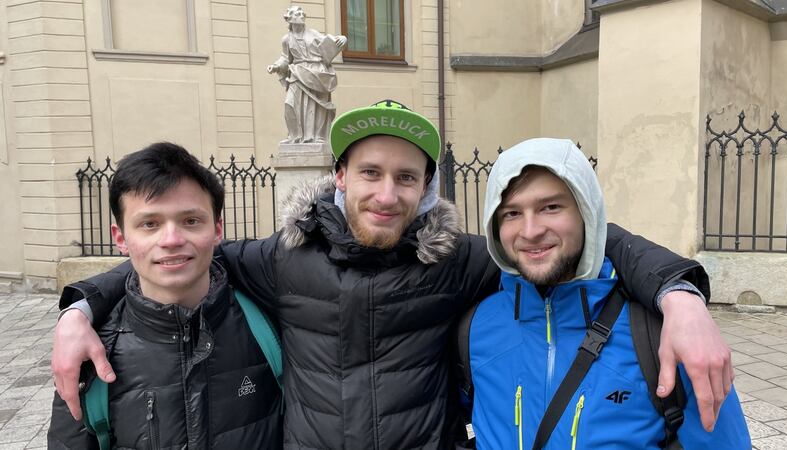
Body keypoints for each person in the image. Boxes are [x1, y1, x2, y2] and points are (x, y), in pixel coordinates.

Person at [53, 101, 731, 449]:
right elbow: (179, 257)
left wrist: (679, 296)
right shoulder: (282, 258)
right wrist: (79, 308)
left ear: (427, 189)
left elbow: (582, 239)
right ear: (340, 177)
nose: (386, 193)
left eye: (407, 177)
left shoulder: (461, 260)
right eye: (370, 173)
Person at [466, 138, 749, 449]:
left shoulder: (666, 336)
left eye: (551, 207)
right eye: (511, 213)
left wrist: (684, 298)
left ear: (587, 213)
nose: (530, 230)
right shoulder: (473, 327)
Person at [47, 143, 282, 449]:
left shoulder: (268, 326)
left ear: (217, 229)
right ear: (121, 238)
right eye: (150, 224)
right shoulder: (91, 355)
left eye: (191, 221)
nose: (171, 239)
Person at [268, 5, 346, 144]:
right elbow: (285, 58)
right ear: (289, 18)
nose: (302, 14)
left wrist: (342, 39)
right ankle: (294, 136)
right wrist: (276, 66)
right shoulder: (286, 39)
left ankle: (316, 137)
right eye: (297, 13)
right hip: (297, 73)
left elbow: (329, 42)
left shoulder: (313, 33)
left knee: (315, 106)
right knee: (290, 103)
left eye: (302, 12)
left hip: (316, 72)